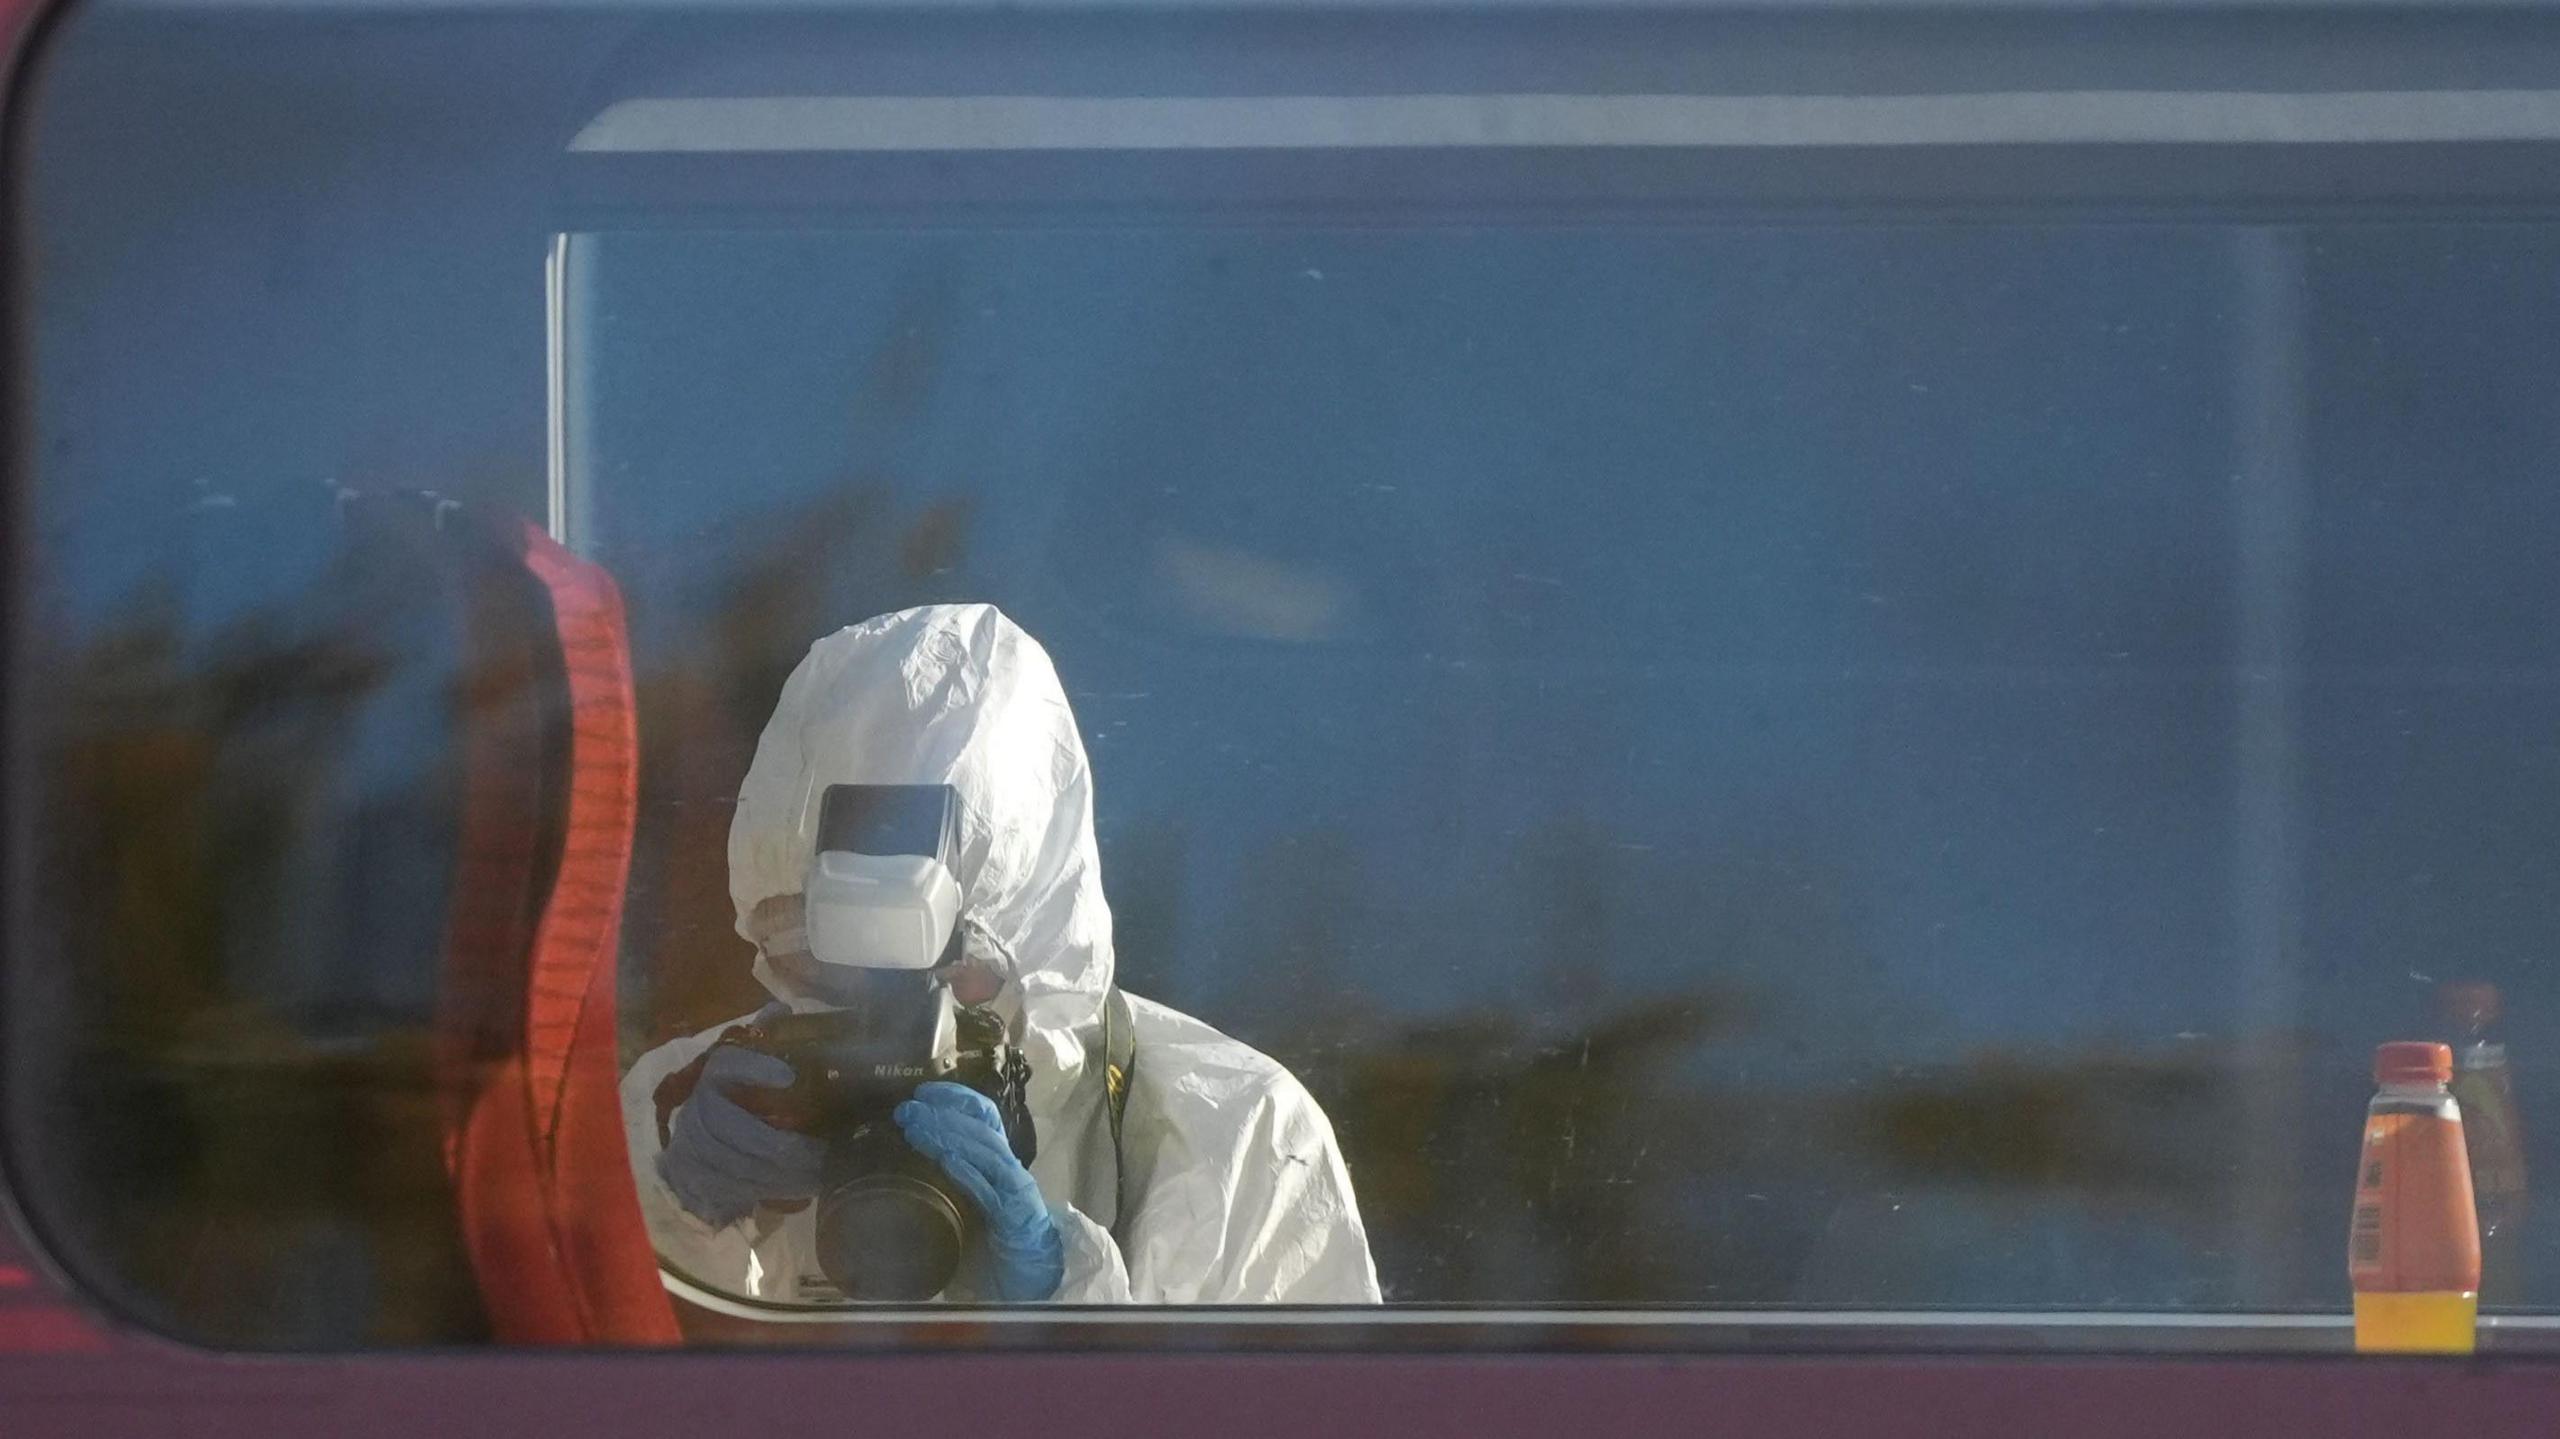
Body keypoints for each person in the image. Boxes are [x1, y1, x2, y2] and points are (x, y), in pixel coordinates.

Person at [620, 603, 1380, 1304]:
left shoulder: (1235, 1134)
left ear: (1038, 932)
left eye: (943, 970)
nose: (889, 1014)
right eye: (830, 958)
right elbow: (602, 1380)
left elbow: (1308, 1397)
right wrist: (677, 1224)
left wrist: (1066, 1305)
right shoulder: (673, 1117)